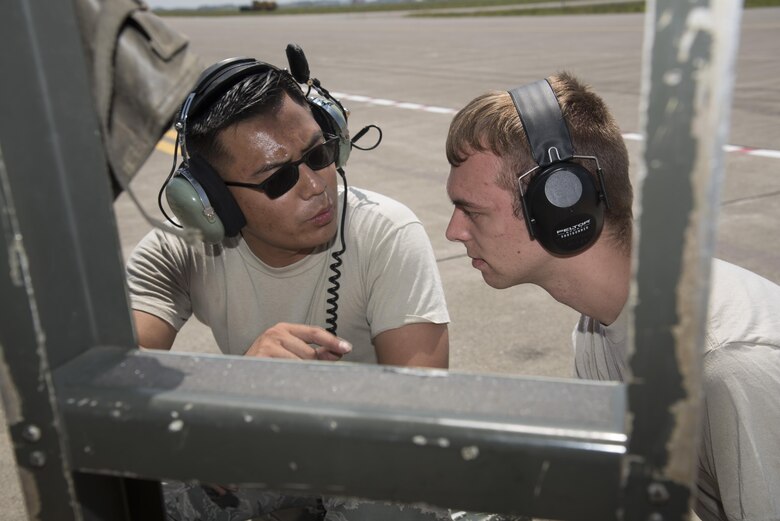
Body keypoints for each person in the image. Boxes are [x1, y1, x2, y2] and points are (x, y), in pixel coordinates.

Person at [126, 50, 450, 520]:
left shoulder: (385, 232)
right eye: (278, 178)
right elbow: (110, 380)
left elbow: (425, 412)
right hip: (261, 449)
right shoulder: (180, 249)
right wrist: (229, 392)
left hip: (368, 449)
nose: (317, 186)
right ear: (212, 201)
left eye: (320, 155)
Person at [443, 72, 780, 521]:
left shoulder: (728, 366)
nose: (453, 231)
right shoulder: (599, 326)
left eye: (471, 210)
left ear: (561, 209)